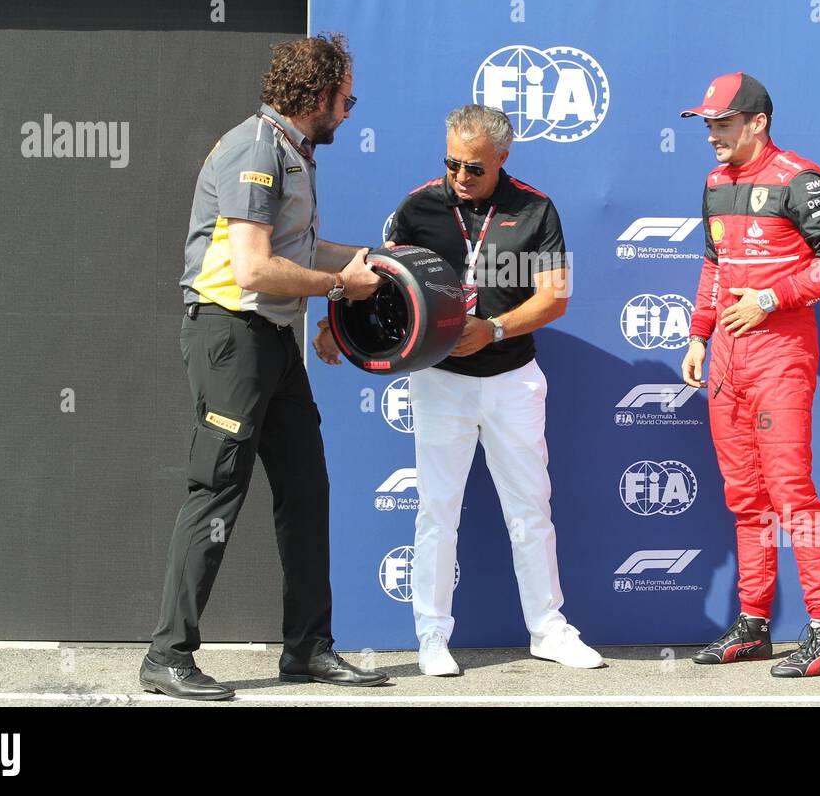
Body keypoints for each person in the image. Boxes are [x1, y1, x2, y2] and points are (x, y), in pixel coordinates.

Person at [141, 34, 390, 701]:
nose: (350, 112)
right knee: (217, 490)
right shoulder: (257, 149)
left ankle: (308, 650)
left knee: (307, 492)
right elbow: (253, 267)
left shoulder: (294, 153)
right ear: (318, 96)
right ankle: (167, 656)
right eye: (347, 99)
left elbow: (304, 248)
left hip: (273, 340)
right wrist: (341, 287)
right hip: (230, 337)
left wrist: (380, 261)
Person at [315, 104, 602, 676]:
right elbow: (376, 279)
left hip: (513, 378)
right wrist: (334, 327)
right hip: (440, 382)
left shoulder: (537, 209)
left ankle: (548, 629)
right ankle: (431, 637)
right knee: (437, 510)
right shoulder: (418, 206)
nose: (460, 177)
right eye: (452, 163)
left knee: (530, 510)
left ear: (502, 158)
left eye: (474, 167)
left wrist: (493, 328)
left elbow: (556, 297)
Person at [678, 73, 820, 677]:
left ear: (757, 122)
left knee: (791, 493)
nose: (712, 136)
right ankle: (754, 626)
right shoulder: (714, 182)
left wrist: (771, 298)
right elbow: (714, 263)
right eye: (707, 125)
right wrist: (700, 333)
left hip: (781, 352)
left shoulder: (800, 179)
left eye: (722, 124)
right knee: (745, 498)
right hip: (727, 357)